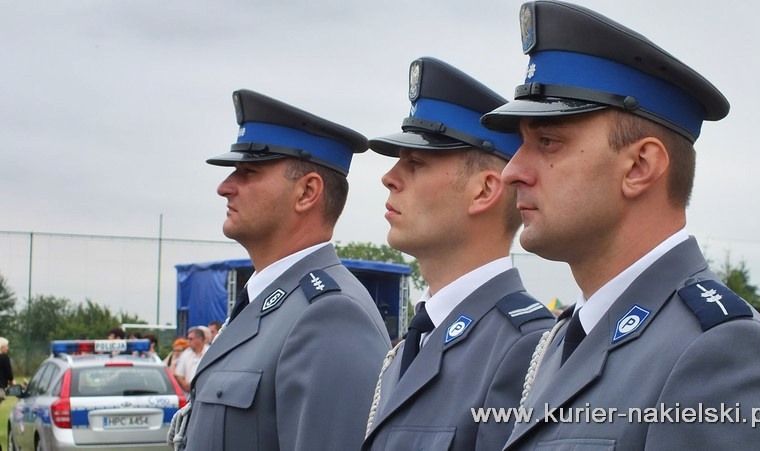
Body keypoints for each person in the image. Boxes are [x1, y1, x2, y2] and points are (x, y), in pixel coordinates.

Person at [480, 1, 760, 449]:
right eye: (521, 144)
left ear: (640, 167)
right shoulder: (565, 340)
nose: (513, 171)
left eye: (547, 141)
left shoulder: (720, 353)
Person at [175, 89, 391, 451]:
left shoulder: (330, 315)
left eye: (248, 171)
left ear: (307, 192)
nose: (225, 187)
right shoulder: (271, 304)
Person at [362, 57, 555, 451]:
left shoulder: (524, 347)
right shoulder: (407, 350)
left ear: (484, 191)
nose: (389, 177)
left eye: (416, 163)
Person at [174, 327, 208, 392]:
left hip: (205, 391)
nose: (188, 341)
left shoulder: (210, 352)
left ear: (200, 339)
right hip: (188, 394)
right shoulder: (185, 354)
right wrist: (187, 386)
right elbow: (179, 374)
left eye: (191, 339)